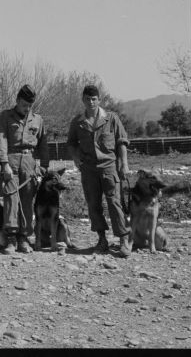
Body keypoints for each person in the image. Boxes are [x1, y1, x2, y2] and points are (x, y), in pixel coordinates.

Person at [66, 85, 131, 257]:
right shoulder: (78, 122)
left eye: (94, 99)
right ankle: (102, 240)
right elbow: (71, 142)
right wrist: (75, 157)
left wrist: (123, 164)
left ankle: (124, 239)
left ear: (99, 100)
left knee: (114, 203)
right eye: (87, 99)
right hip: (88, 169)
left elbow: (121, 141)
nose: (91, 102)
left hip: (109, 167)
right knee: (93, 205)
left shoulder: (111, 119)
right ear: (83, 100)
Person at [0, 85, 49, 254]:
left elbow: (43, 144)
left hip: (29, 163)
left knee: (27, 201)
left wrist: (44, 166)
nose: (27, 108)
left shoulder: (37, 119)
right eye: (24, 104)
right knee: (11, 200)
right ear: (17, 101)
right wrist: (4, 164)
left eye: (29, 105)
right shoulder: (5, 117)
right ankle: (10, 239)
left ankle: (23, 238)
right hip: (11, 160)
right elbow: (0, 141)